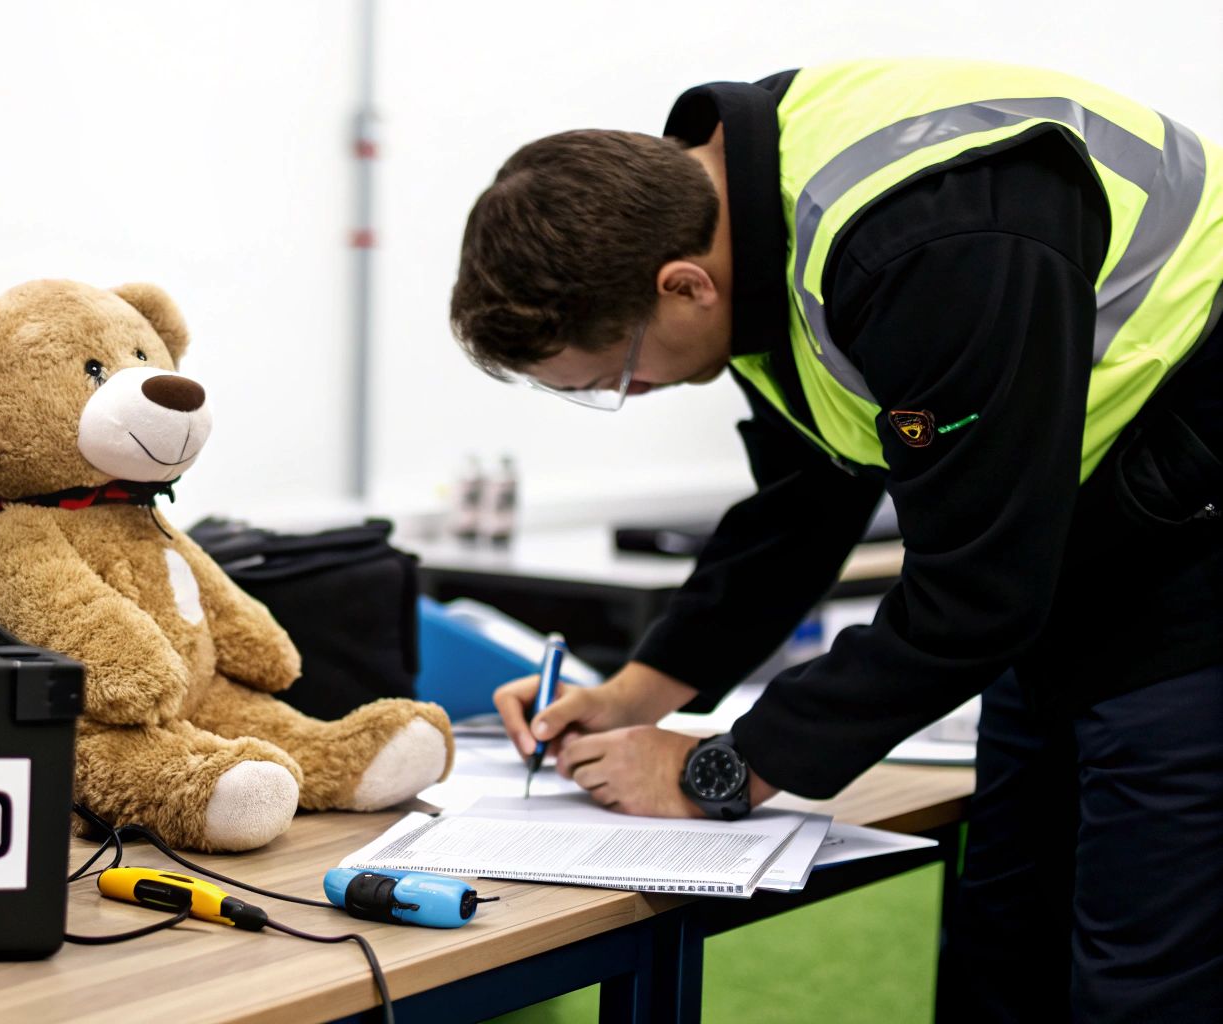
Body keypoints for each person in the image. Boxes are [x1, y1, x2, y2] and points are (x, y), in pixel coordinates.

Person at [450, 58, 1223, 1021]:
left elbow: (974, 595)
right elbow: (805, 502)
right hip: (1073, 550)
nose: (630, 394)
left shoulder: (929, 244)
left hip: (1192, 557)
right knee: (1004, 949)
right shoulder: (740, 223)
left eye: (619, 378)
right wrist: (629, 697)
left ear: (683, 285)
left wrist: (714, 771)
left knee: (1144, 978)